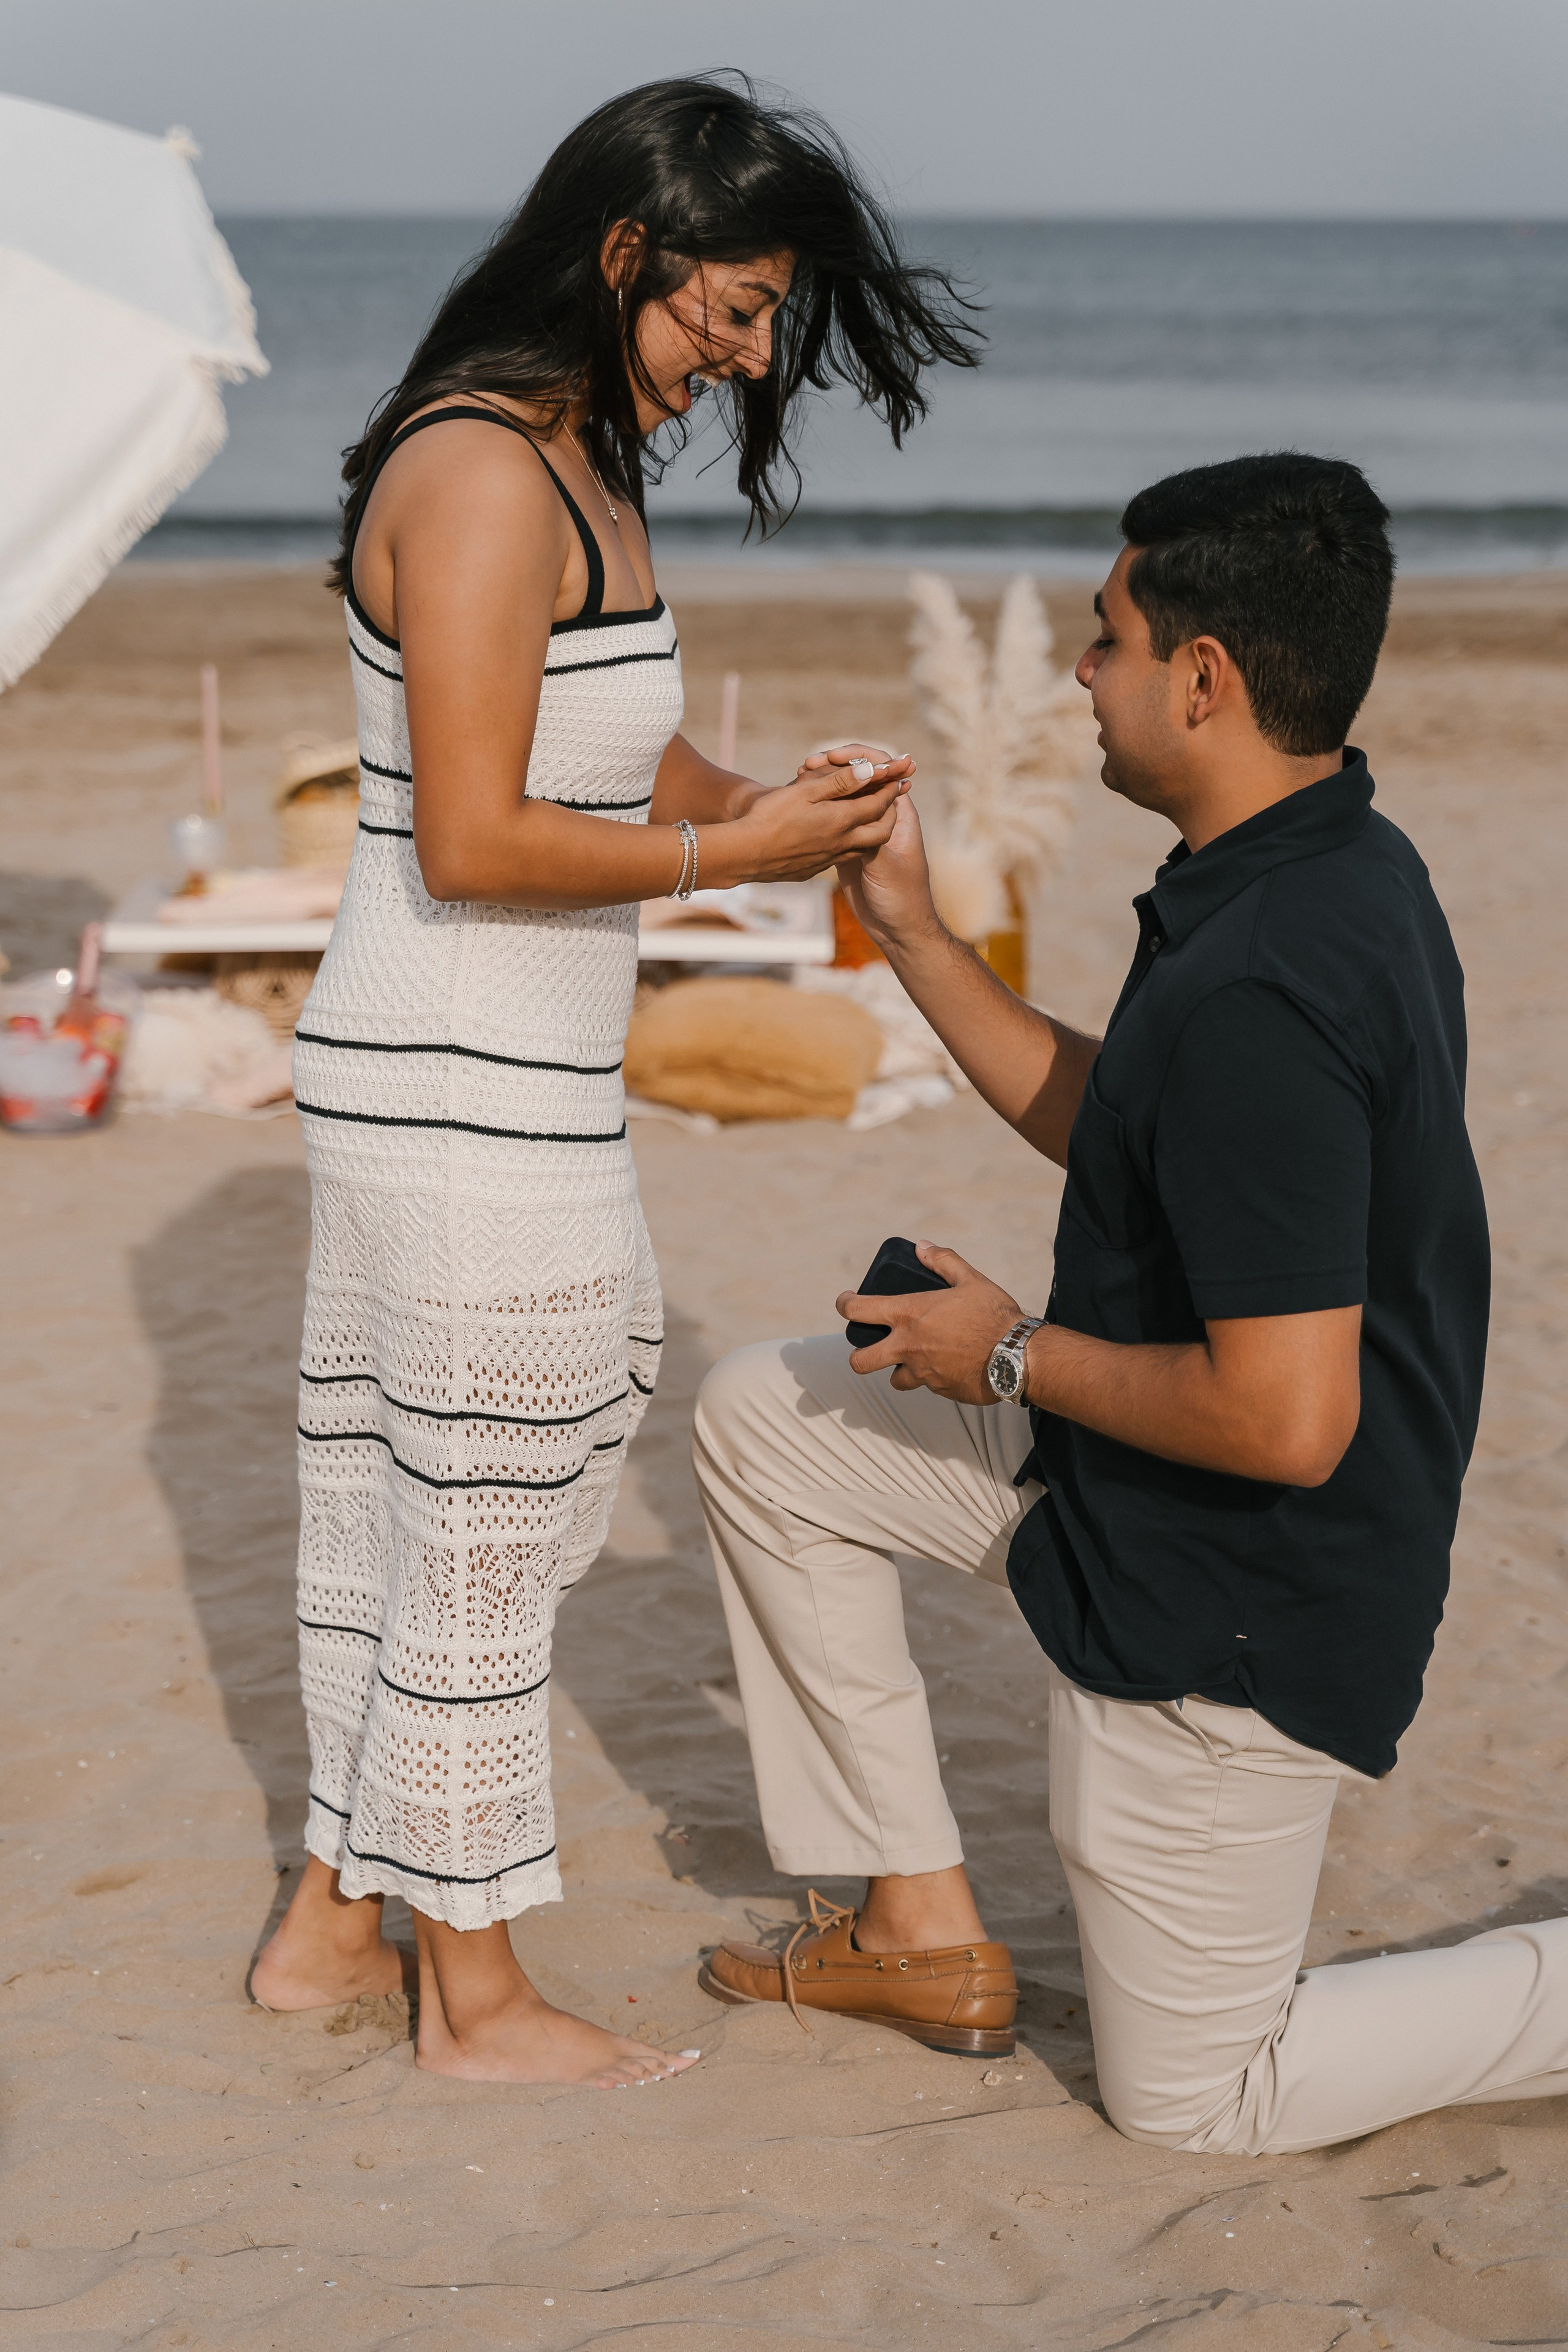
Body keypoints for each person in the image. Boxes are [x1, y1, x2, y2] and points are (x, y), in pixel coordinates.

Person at [694, 452, 1568, 2151]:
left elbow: (1290, 1420)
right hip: (1134, 1475)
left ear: (1204, 675)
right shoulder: (1316, 862)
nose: (1078, 675)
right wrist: (923, 938)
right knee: (764, 1422)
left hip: (1243, 1590)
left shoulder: (1271, 977)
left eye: (1104, 638)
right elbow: (1133, 1130)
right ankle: (917, 1926)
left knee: (1200, 2104)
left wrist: (1003, 1349)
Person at [249, 74, 978, 2088]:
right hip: (451, 1059)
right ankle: (467, 1999)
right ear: (623, 252)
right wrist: (725, 868)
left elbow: (591, 737)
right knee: (486, 1506)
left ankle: (331, 1924)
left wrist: (765, 807)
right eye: (732, 309)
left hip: (509, 1065)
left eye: (772, 319)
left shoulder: (581, 457)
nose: (754, 353)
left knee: (455, 1494)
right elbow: (475, 836)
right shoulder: (485, 473)